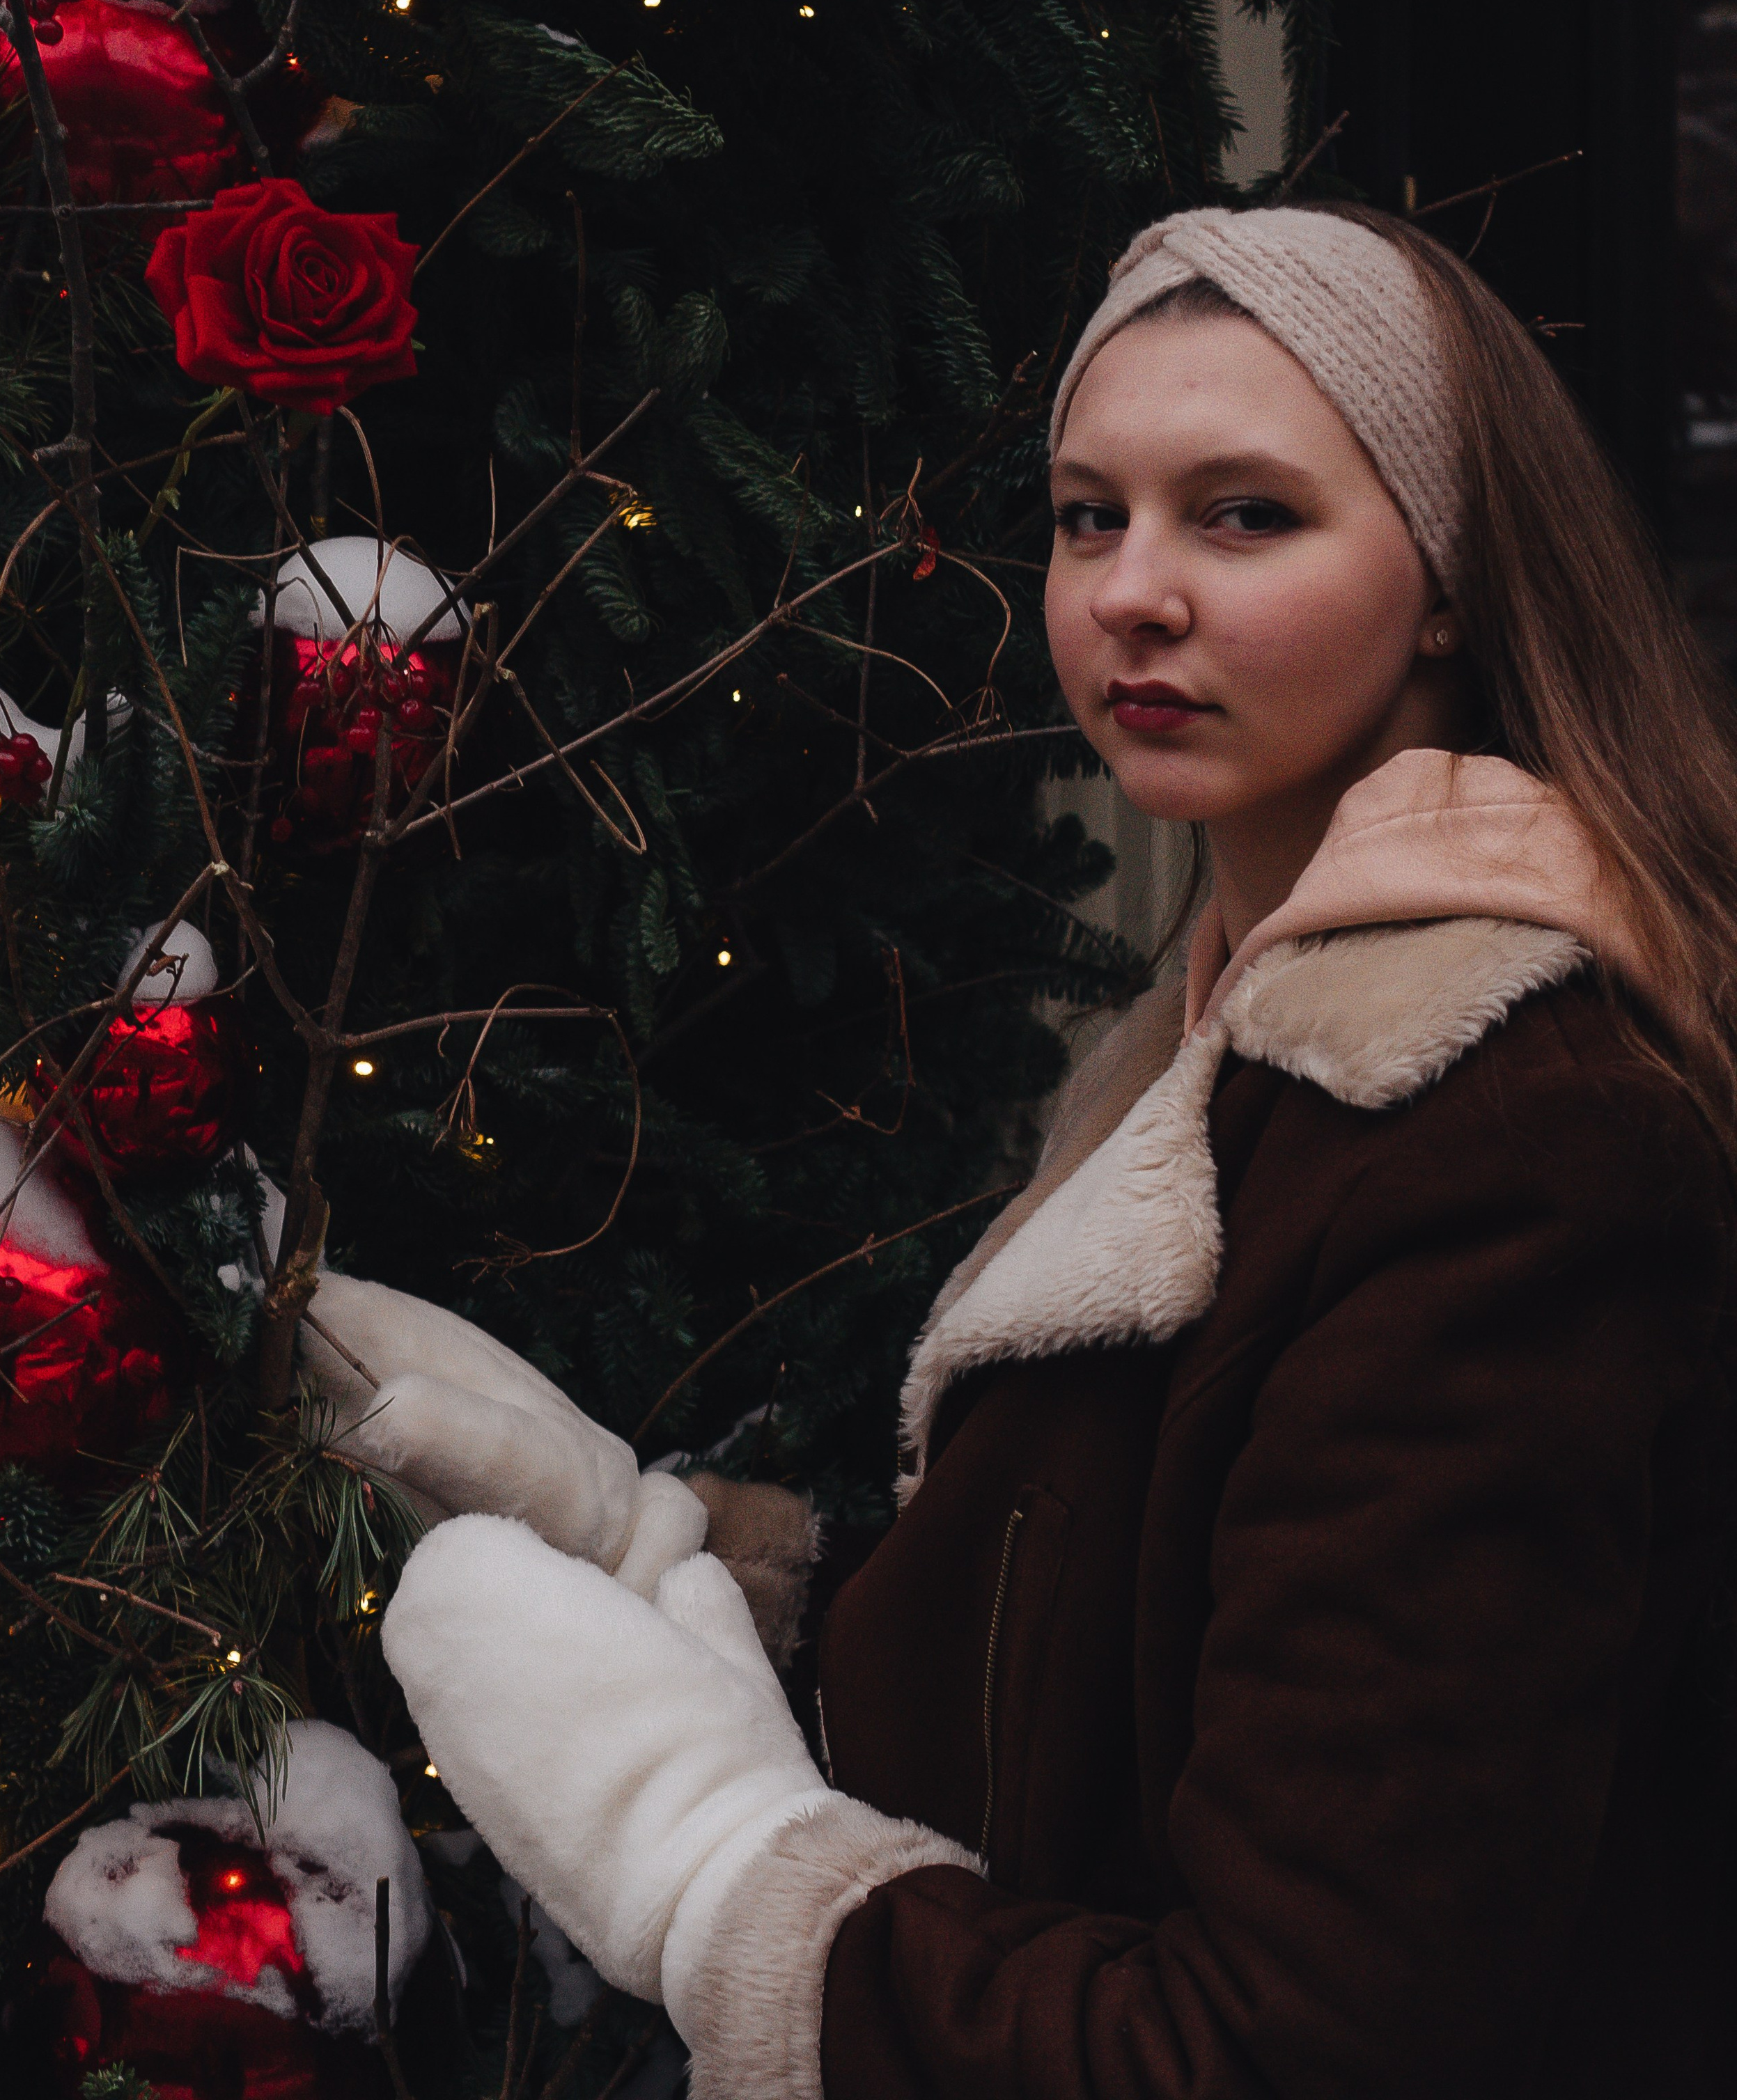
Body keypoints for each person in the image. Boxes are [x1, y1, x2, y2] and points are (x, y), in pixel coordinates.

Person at [371, 205, 1737, 2099]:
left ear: (1450, 578)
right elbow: (1122, 1665)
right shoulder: (1226, 1030)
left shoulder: (1505, 1126)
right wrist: (677, 1571)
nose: (1130, 594)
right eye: (1090, 516)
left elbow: (1294, 2046)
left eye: (1244, 514)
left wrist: (715, 1873)